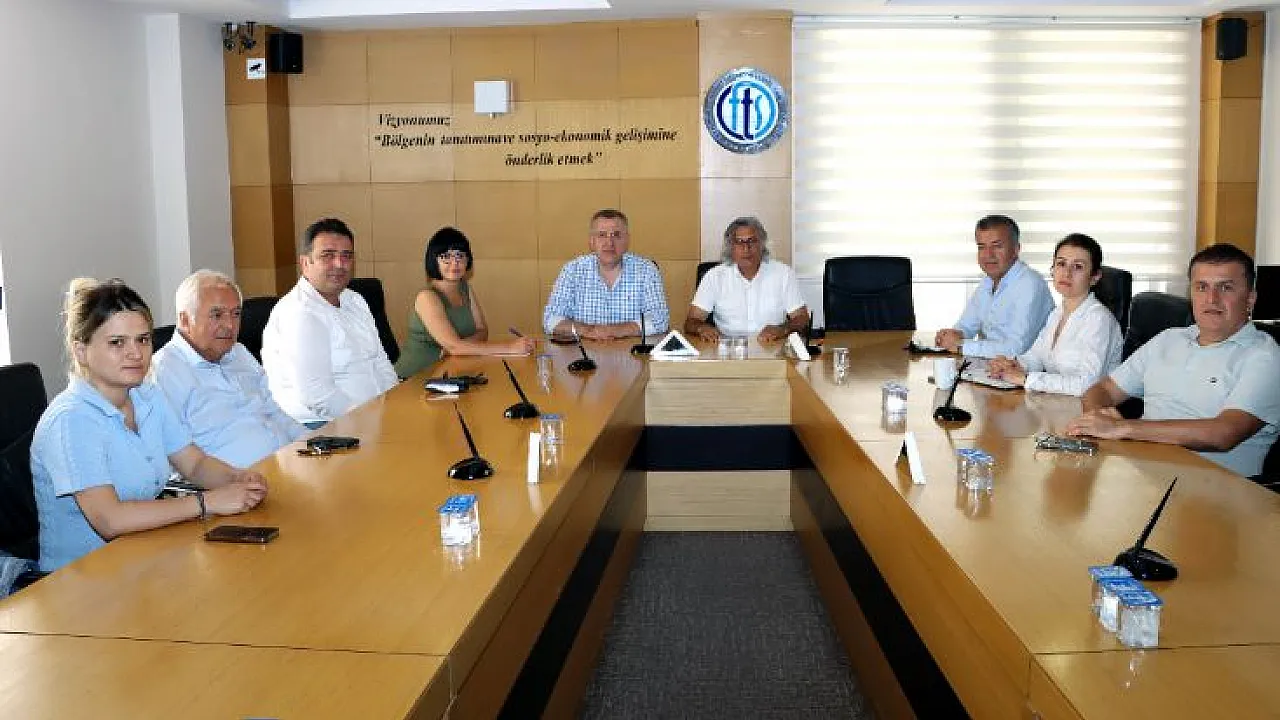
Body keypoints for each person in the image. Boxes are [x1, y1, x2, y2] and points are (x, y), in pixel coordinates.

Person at [31, 278, 269, 573]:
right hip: (83, 579)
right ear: (81, 351)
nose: (135, 353)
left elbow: (194, 464)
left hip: (144, 555)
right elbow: (110, 520)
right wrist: (206, 502)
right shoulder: (71, 420)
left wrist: (238, 478)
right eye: (117, 343)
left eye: (142, 340)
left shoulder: (146, 395)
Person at [1066, 243, 1280, 477]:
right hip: (1142, 472)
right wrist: (1099, 417)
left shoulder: (1264, 356)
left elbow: (1224, 434)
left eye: (1226, 287)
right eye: (1201, 287)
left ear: (1250, 299)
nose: (1212, 299)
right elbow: (1103, 389)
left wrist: (1122, 428)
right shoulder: (1169, 339)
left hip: (1212, 489)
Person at [151, 270, 306, 467]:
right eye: (217, 315)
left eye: (236, 314)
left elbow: (275, 411)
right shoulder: (165, 372)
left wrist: (312, 442)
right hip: (236, 481)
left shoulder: (239, 353)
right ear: (185, 320)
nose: (230, 325)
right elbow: (171, 458)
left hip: (288, 463)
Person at [262, 218, 398, 426]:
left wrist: (396, 404)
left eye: (346, 256)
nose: (339, 264)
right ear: (305, 263)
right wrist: (370, 419)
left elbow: (380, 362)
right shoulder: (300, 313)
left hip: (373, 416)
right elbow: (316, 395)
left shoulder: (355, 300)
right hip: (323, 426)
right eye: (328, 255)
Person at [987, 234, 1123, 396]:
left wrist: (1026, 379)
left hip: (1087, 408)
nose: (1067, 273)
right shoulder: (1057, 313)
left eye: (1078, 266)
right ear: (1053, 269)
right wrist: (1012, 365)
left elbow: (1087, 385)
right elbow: (1036, 357)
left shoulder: (1099, 320)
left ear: (1095, 277)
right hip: (1055, 402)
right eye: (1061, 264)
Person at [394, 227, 535, 378]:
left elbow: (482, 331)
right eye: (446, 256)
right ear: (434, 260)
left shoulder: (464, 288)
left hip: (447, 375)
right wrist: (510, 348)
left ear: (468, 260)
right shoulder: (427, 297)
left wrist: (459, 347)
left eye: (460, 256)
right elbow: (455, 347)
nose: (455, 262)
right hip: (413, 379)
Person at [935, 215, 1054, 358]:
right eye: (981, 247)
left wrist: (961, 346)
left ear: (1016, 249)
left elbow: (1017, 349)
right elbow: (966, 326)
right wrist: (950, 336)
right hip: (992, 366)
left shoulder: (1030, 284)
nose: (988, 255)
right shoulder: (987, 282)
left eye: (997, 246)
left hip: (1023, 369)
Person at [542, 209, 670, 340]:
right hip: (584, 351)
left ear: (627, 240)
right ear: (592, 241)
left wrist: (614, 330)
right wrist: (588, 330)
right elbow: (550, 319)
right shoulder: (572, 270)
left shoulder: (646, 270)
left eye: (616, 235)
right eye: (602, 235)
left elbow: (660, 319)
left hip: (632, 351)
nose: (609, 242)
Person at [685, 217, 809, 343]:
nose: (746, 248)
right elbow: (691, 321)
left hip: (772, 346)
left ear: (762, 244)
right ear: (731, 247)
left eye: (752, 241)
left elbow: (802, 318)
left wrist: (782, 329)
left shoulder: (783, 274)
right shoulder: (714, 276)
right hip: (728, 348)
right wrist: (701, 328)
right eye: (739, 242)